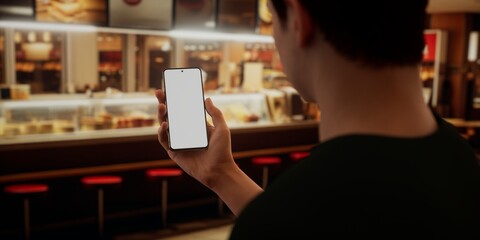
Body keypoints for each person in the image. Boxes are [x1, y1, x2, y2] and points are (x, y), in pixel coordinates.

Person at [155, 0, 480, 238]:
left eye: (273, 22)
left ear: (298, 20)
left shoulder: (288, 216)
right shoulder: (458, 156)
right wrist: (221, 174)